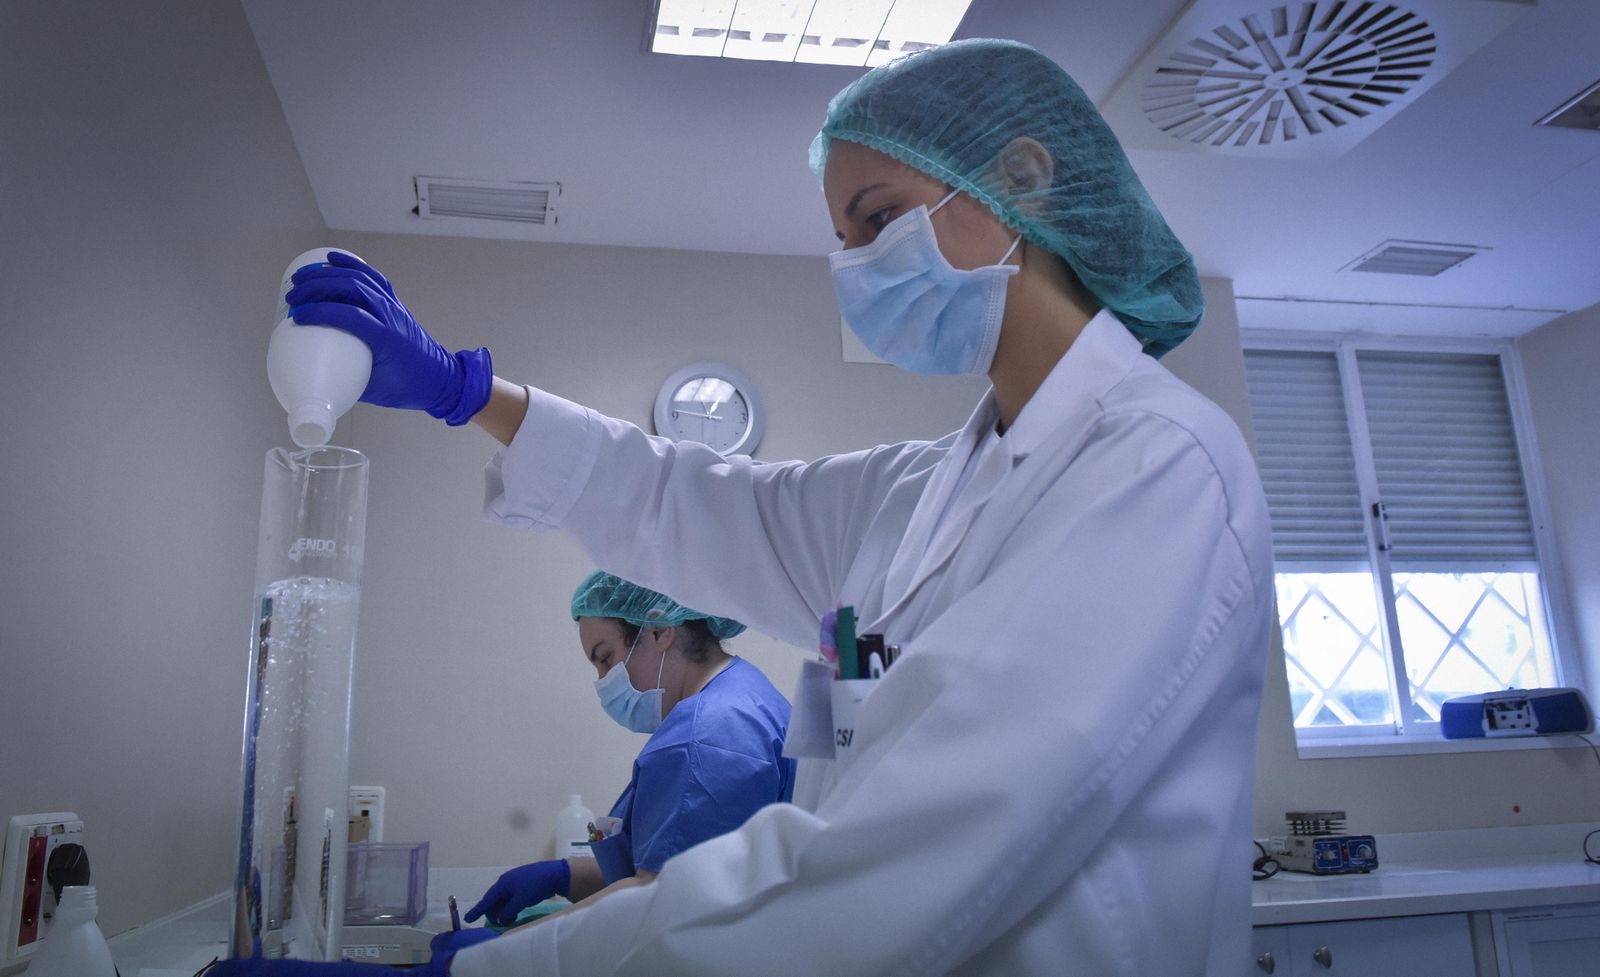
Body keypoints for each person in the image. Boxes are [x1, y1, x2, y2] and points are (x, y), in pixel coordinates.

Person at [217, 36, 1273, 977]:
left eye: (879, 219)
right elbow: (694, 501)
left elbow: (888, 871)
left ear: (1020, 178)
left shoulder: (1156, 466)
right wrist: (465, 390)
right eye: (846, 242)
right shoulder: (921, 486)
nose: (858, 270)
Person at [462, 572, 796, 930]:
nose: (605, 682)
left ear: (658, 630)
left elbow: (658, 898)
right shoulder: (739, 694)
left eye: (605, 659)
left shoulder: (707, 734)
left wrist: (497, 952)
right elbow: (668, 864)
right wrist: (564, 874)